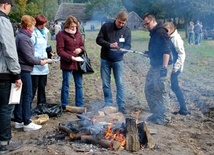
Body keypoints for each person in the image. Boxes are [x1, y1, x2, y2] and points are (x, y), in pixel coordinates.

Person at [14, 15, 46, 131]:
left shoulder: (22, 36)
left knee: (22, 96)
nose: (34, 28)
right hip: (24, 69)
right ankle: (26, 122)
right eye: (32, 25)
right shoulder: (23, 38)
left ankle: (19, 120)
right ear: (28, 26)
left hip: (23, 69)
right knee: (27, 95)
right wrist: (40, 62)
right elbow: (28, 57)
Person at [96, 11, 131, 114]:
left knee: (119, 83)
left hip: (118, 60)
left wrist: (123, 49)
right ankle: (108, 103)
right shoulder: (106, 27)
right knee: (106, 83)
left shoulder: (127, 31)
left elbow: (128, 46)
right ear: (116, 18)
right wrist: (110, 45)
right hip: (105, 59)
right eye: (119, 22)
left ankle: (121, 104)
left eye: (123, 23)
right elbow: (98, 40)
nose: (121, 25)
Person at [0, 0, 23, 153]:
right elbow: (9, 48)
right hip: (3, 73)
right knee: (5, 109)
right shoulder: (3, 21)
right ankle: (4, 143)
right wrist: (16, 73)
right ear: (5, 4)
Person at [143, 13, 172, 125]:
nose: (146, 26)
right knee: (149, 89)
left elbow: (166, 51)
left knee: (162, 91)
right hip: (154, 66)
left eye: (148, 23)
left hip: (162, 66)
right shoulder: (154, 33)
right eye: (145, 24)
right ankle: (156, 114)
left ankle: (165, 117)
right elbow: (157, 49)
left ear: (153, 20)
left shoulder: (161, 32)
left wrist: (164, 67)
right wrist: (149, 53)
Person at [56, 15, 85, 109]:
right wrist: (70, 57)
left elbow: (82, 46)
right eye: (72, 26)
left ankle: (79, 104)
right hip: (67, 63)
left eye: (75, 26)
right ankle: (64, 104)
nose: (74, 28)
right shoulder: (61, 35)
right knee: (66, 84)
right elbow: (60, 50)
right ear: (67, 25)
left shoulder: (78, 34)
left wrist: (80, 50)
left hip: (78, 63)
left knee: (79, 85)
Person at [163, 22, 190, 115]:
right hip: (172, 66)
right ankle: (181, 109)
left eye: (166, 30)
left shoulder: (176, 39)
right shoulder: (170, 37)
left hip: (176, 67)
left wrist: (176, 66)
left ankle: (184, 109)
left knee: (174, 87)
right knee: (172, 86)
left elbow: (182, 54)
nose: (165, 32)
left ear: (172, 29)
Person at [31, 14, 49, 106]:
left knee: (42, 86)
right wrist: (40, 57)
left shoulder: (45, 32)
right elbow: (31, 50)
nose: (43, 26)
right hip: (35, 64)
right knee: (33, 87)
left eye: (44, 24)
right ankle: (28, 106)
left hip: (44, 64)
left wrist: (49, 53)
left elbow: (45, 46)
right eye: (42, 24)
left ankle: (41, 105)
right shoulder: (33, 34)